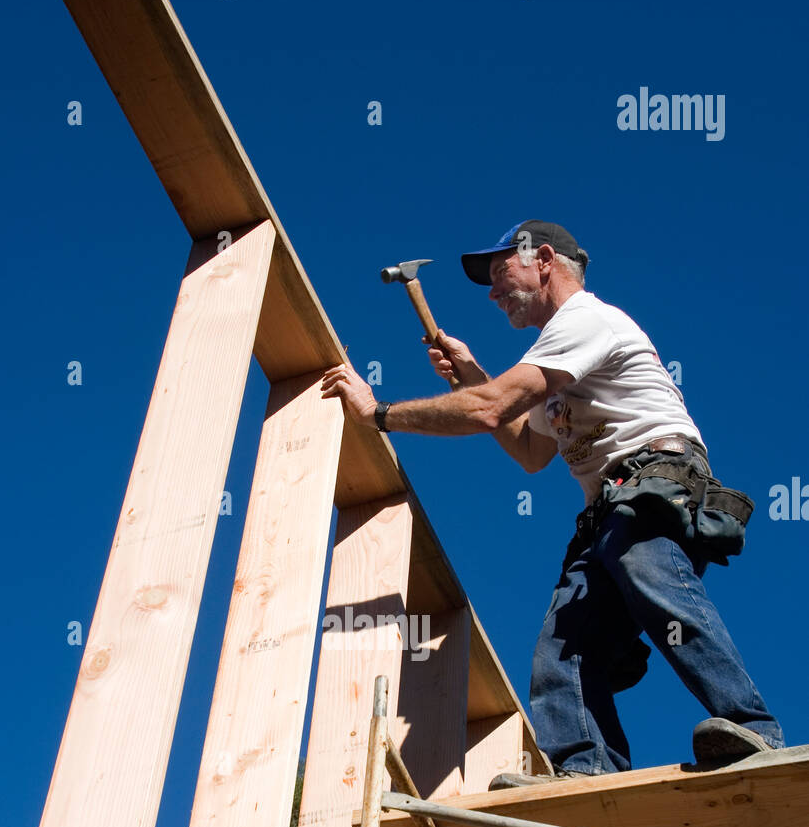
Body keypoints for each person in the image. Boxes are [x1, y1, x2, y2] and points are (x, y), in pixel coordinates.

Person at [320, 219, 785, 782]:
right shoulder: (557, 359)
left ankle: (752, 729)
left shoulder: (585, 320)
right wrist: (468, 375)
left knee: (650, 573)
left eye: (499, 274)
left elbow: (491, 408)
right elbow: (530, 450)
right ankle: (585, 769)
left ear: (543, 258)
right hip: (611, 509)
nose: (492, 293)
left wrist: (380, 415)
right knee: (565, 643)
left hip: (654, 482)